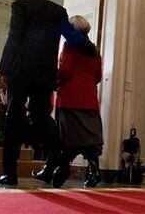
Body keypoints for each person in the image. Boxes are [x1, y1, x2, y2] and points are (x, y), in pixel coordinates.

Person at [0, 0, 96, 185]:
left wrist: (4, 69)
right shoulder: (58, 11)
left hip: (21, 72)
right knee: (41, 117)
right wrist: (89, 47)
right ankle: (60, 158)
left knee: (13, 118)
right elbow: (71, 36)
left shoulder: (20, 6)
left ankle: (9, 173)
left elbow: (14, 37)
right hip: (44, 75)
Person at [50, 15, 103, 188]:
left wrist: (52, 81)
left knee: (68, 138)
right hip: (89, 100)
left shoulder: (70, 46)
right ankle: (94, 172)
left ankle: (61, 171)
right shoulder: (95, 50)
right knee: (91, 140)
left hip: (70, 98)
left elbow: (64, 71)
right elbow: (98, 76)